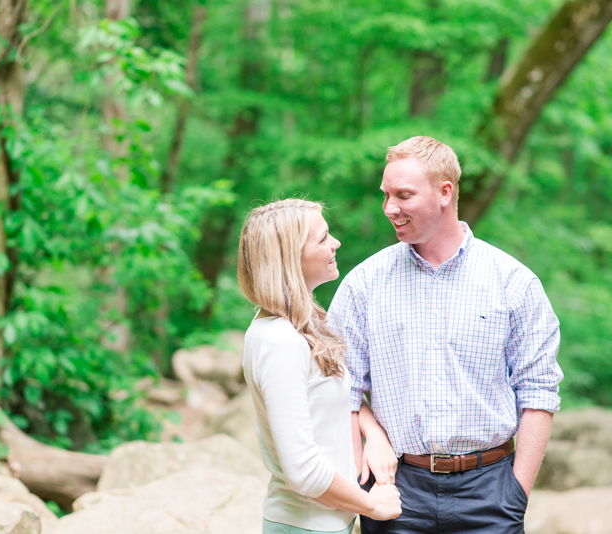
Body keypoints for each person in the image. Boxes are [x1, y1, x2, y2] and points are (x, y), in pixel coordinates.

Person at [328, 137, 564, 534]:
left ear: (444, 192)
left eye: (403, 195)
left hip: (491, 491)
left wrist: (515, 494)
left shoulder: (514, 283)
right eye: (385, 195)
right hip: (396, 490)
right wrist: (363, 487)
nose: (390, 208)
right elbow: (342, 390)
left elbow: (539, 390)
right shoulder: (363, 285)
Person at [238, 199, 403, 534]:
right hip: (305, 524)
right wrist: (372, 505)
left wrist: (372, 432)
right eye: (323, 238)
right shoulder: (279, 342)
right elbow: (302, 469)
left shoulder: (298, 327)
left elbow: (331, 405)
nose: (335, 243)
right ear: (290, 258)